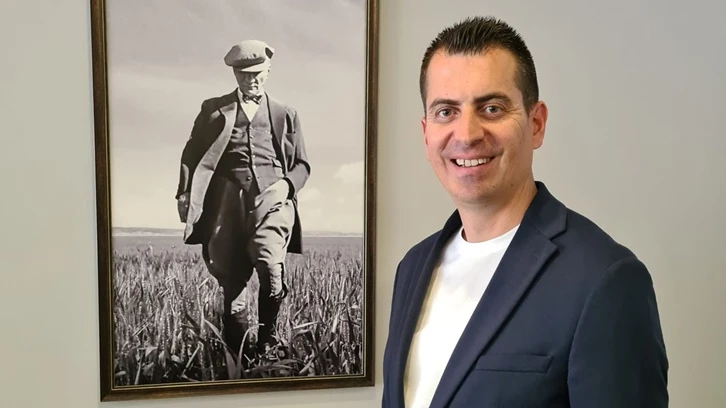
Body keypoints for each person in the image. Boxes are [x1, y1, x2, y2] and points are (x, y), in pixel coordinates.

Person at [382, 16, 668, 407]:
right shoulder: (412, 268)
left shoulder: (605, 279)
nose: (466, 134)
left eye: (492, 108)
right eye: (446, 112)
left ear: (536, 124)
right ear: (426, 133)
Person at [175, 39, 311, 362]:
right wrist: (184, 192)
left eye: (257, 73)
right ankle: (237, 359)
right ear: (234, 74)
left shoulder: (286, 114)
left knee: (270, 266)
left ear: (268, 71)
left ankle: (266, 345)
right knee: (232, 282)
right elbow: (191, 154)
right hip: (227, 205)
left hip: (272, 203)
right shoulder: (212, 110)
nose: (251, 80)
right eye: (244, 74)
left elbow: (302, 165)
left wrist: (286, 187)